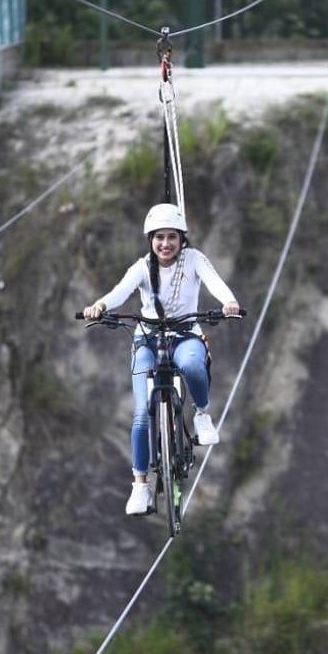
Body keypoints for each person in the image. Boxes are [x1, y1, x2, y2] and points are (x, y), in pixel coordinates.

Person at [83, 203, 241, 516]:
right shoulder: (142, 267)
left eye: (172, 237)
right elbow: (119, 292)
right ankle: (140, 484)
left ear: (182, 239)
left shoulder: (194, 260)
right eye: (159, 238)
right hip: (148, 339)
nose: (165, 244)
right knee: (141, 414)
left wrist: (229, 302)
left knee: (193, 364)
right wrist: (99, 305)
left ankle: (201, 413)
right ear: (150, 240)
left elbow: (214, 282)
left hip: (184, 335)